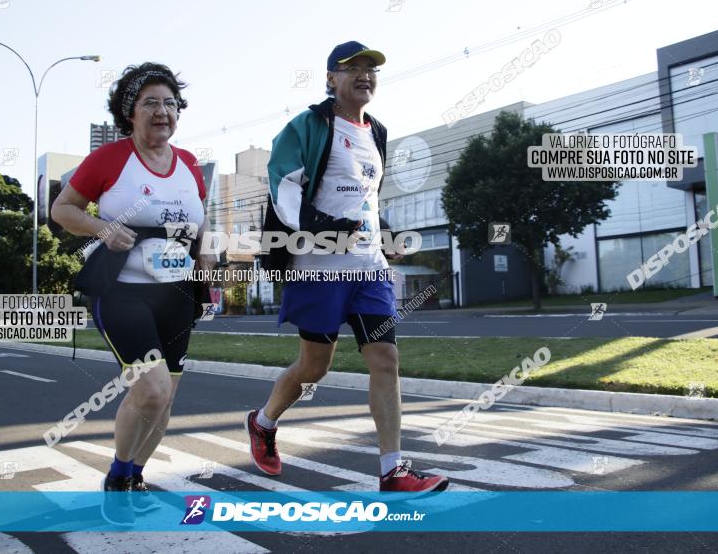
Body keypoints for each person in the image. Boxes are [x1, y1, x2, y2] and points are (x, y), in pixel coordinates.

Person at [246, 42, 449, 494]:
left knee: (386, 359)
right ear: (330, 79)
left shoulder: (376, 131)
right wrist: (319, 226)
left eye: (370, 69)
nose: (364, 75)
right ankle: (263, 423)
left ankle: (392, 470)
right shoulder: (308, 125)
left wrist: (386, 233)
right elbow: (284, 187)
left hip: (368, 269)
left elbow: (366, 199)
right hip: (318, 267)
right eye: (352, 68)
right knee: (313, 368)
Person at [51, 62, 215, 525]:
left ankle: (134, 477)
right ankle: (117, 478)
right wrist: (102, 227)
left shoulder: (188, 165)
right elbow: (62, 209)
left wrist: (207, 261)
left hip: (178, 295)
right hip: (122, 292)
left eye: (170, 103)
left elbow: (202, 225)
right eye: (151, 103)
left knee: (166, 398)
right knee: (150, 389)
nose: (163, 111)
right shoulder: (109, 159)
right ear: (129, 113)